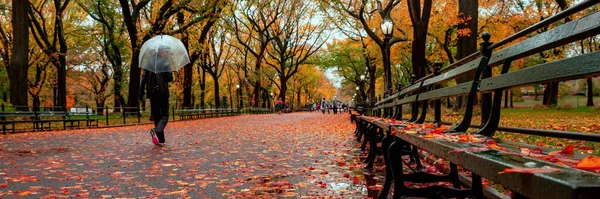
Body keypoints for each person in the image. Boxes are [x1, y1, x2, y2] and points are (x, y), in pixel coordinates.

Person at [138, 50, 173, 146]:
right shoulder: (165, 63)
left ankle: (161, 140)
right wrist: (168, 70)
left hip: (152, 93)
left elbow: (143, 80)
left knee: (157, 116)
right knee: (165, 115)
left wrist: (140, 95)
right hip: (163, 92)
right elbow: (170, 78)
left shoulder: (148, 63)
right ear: (162, 52)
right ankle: (156, 131)